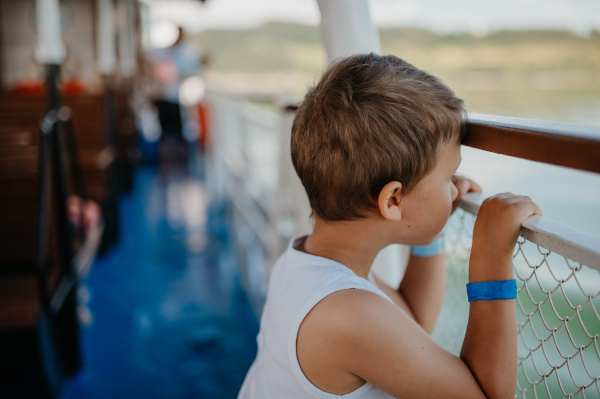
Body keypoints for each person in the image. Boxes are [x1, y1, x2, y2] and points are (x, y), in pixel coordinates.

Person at [238, 53, 542, 399]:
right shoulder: (348, 313)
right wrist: (490, 254)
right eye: (447, 177)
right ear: (392, 201)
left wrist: (433, 223)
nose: (455, 186)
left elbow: (412, 320)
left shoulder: (313, 261)